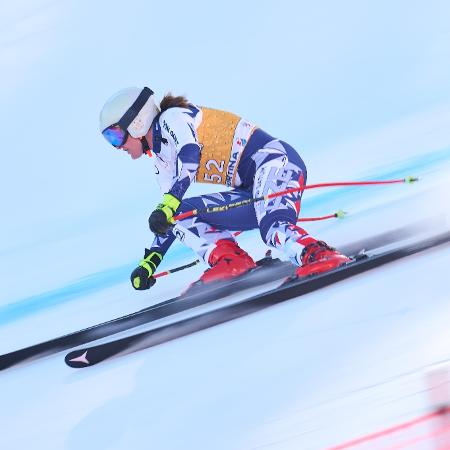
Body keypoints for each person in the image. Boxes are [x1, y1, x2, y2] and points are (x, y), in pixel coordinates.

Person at [99, 86, 350, 291]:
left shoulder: (172, 118)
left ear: (138, 123)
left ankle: (317, 255)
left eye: (115, 136)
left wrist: (171, 201)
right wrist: (149, 262)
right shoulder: (162, 161)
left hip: (276, 164)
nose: (117, 146)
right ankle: (231, 261)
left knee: (272, 228)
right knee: (177, 214)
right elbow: (170, 216)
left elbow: (190, 152)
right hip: (249, 191)